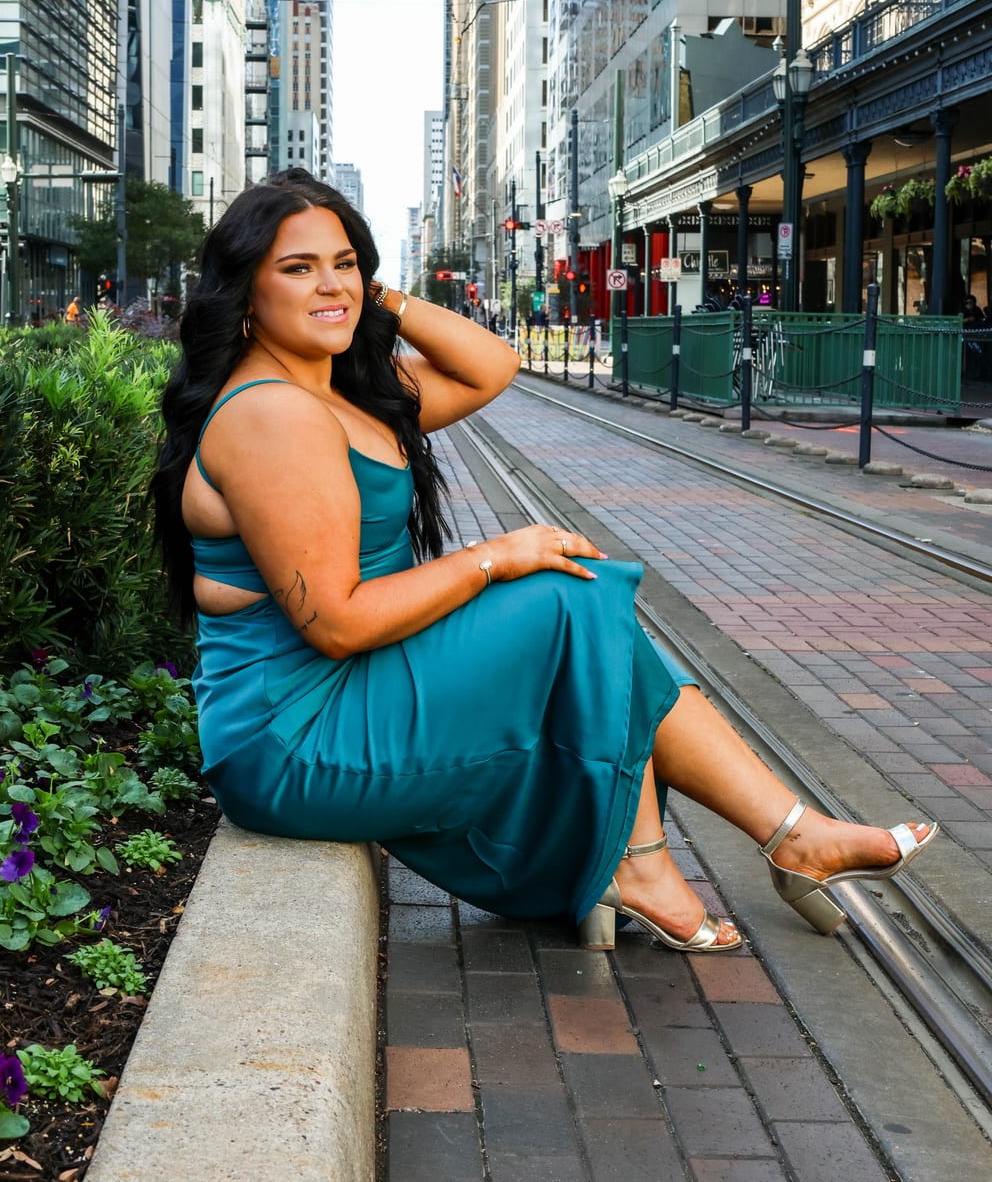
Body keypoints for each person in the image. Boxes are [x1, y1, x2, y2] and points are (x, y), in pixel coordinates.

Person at [152, 171, 938, 954]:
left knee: (586, 600)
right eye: (298, 268)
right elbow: (337, 621)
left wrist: (366, 294)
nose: (329, 283)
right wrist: (497, 555)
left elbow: (491, 365)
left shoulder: (340, 389)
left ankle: (772, 838)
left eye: (344, 260)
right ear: (245, 292)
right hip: (293, 736)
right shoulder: (272, 415)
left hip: (353, 691)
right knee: (568, 596)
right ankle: (688, 854)